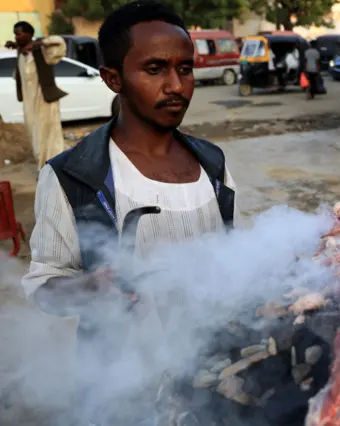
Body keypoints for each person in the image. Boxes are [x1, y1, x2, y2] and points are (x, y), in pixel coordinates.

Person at [21, 0, 236, 422]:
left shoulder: (213, 164)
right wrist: (88, 289)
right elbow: (43, 285)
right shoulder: (72, 176)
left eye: (185, 69)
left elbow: (231, 261)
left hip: (214, 373)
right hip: (123, 387)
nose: (176, 85)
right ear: (112, 78)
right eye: (155, 70)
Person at [4, 21, 67, 170]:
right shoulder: (21, 54)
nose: (16, 37)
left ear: (29, 34)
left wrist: (40, 43)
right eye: (15, 34)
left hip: (45, 102)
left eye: (19, 33)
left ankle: (55, 167)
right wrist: (18, 46)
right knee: (36, 136)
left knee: (50, 136)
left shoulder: (44, 52)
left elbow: (60, 43)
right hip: (29, 104)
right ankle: (44, 167)